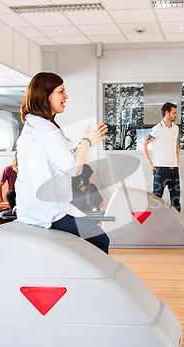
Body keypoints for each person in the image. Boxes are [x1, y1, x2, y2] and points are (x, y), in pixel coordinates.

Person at [15, 72, 110, 254]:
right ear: (46, 95)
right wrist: (86, 142)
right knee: (101, 240)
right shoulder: (45, 128)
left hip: (34, 210)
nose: (66, 96)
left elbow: (60, 162)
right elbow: (74, 169)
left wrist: (86, 142)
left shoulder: (34, 125)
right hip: (48, 213)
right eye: (61, 91)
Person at [142, 102, 181, 212]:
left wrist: (177, 157)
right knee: (156, 198)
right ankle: (150, 223)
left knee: (176, 200)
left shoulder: (176, 128)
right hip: (160, 169)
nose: (175, 115)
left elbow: (176, 143)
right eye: (174, 113)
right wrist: (150, 163)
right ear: (167, 113)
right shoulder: (157, 129)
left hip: (174, 169)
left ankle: (177, 225)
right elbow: (144, 143)